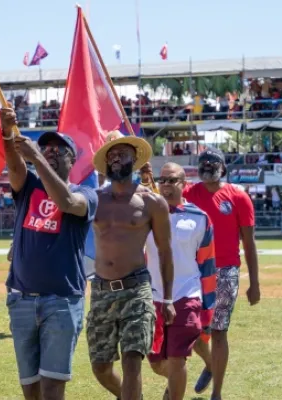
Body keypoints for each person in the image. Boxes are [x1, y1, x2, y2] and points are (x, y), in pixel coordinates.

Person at [143, 148, 260, 400]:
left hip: (225, 272)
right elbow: (163, 198)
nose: (208, 165)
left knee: (218, 331)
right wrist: (150, 179)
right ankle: (201, 366)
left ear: (223, 167)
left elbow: (249, 242)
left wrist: (255, 283)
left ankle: (216, 392)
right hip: (193, 271)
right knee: (193, 334)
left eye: (213, 161)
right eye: (203, 162)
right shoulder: (188, 192)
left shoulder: (238, 196)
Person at [1, 106, 98, 400]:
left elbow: (66, 201)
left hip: (62, 301)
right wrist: (7, 132)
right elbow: (16, 167)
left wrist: (38, 158)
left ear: (73, 160)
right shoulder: (29, 185)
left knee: (52, 388)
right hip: (21, 299)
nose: (51, 151)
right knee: (30, 388)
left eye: (59, 149)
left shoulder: (86, 195)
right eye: (47, 147)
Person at [87, 130, 175, 400]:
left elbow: (165, 251)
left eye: (121, 153)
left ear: (134, 158)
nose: (115, 158)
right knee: (101, 368)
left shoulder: (152, 202)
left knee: (132, 361)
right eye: (110, 154)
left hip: (136, 289)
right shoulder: (96, 200)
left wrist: (168, 298)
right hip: (101, 290)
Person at [145, 163, 217, 400]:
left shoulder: (200, 218)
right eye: (162, 179)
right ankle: (176, 381)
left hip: (187, 295)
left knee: (177, 359)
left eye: (172, 180)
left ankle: (176, 387)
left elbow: (207, 265)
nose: (166, 184)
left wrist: (208, 307)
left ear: (184, 184)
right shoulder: (147, 214)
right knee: (156, 363)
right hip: (153, 296)